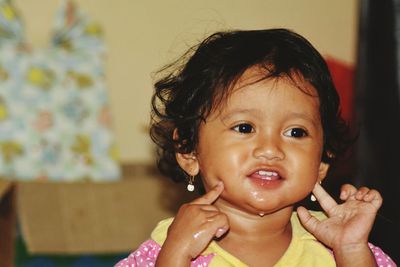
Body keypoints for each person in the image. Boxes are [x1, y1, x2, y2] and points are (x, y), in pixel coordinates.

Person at [115, 29, 396, 267]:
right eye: (245, 128)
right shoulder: (171, 247)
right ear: (189, 151)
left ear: (322, 162)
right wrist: (175, 256)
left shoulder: (338, 247)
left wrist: (350, 250)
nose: (270, 149)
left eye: (296, 132)